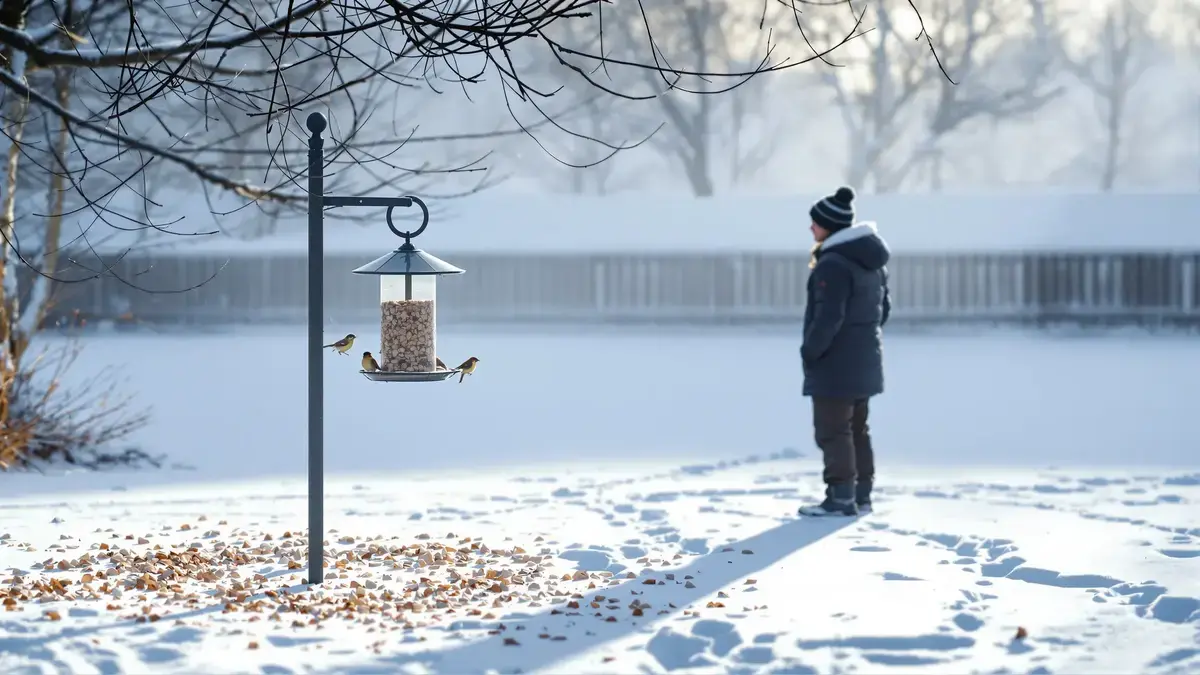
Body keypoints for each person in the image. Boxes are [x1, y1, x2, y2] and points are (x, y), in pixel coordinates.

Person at [797, 186, 891, 517]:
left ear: (830, 227)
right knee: (856, 429)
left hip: (836, 364)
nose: (811, 228)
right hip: (865, 358)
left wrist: (810, 351)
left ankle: (840, 498)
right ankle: (861, 495)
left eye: (815, 223)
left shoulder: (833, 264)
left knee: (833, 431)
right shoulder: (869, 261)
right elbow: (884, 310)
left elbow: (828, 317)